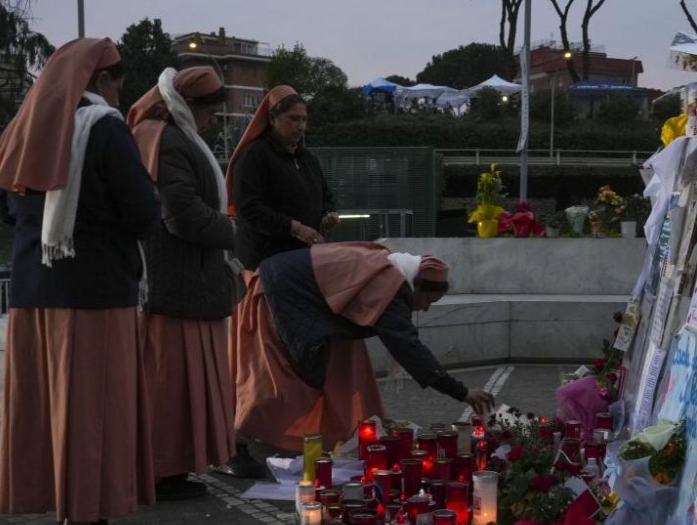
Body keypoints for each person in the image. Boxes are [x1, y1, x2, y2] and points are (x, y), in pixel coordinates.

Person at [0, 37, 160, 525]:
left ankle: (68, 511)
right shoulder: (106, 129)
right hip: (93, 292)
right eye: (117, 82)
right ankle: (81, 524)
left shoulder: (23, 127)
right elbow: (141, 215)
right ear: (102, 81)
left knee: (50, 409)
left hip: (32, 294)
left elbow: (1, 206)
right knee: (92, 409)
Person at [237, 242, 494, 452]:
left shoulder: (390, 267)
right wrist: (460, 392)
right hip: (278, 294)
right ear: (417, 285)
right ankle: (237, 439)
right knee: (279, 381)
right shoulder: (390, 288)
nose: (425, 308)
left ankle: (320, 432)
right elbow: (407, 348)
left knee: (333, 371)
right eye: (428, 300)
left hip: (291, 290)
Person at [127, 66, 238, 500]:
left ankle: (169, 470)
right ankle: (161, 472)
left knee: (173, 386)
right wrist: (235, 232)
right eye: (209, 111)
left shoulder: (166, 134)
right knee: (170, 389)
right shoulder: (166, 138)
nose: (212, 120)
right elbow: (184, 215)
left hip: (185, 284)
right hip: (178, 286)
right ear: (188, 105)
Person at [218, 85, 339, 477]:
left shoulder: (307, 158)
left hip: (301, 272)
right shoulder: (254, 158)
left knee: (290, 358)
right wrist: (296, 228)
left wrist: (327, 216)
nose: (300, 127)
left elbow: (327, 196)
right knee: (261, 362)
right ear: (272, 120)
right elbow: (249, 208)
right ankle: (239, 437)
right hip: (264, 271)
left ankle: (288, 433)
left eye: (304, 120)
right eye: (293, 119)